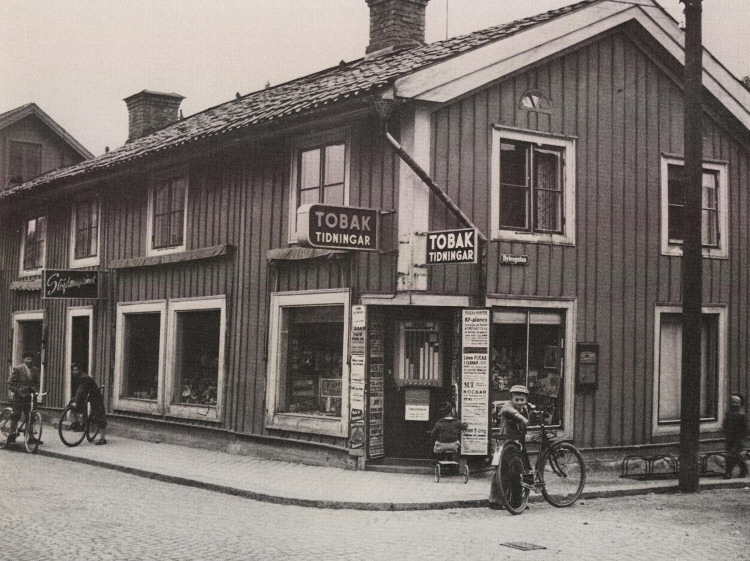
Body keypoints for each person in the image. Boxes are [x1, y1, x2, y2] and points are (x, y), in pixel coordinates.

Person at [69, 362, 107, 445]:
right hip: (87, 395)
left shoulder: (84, 377)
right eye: (73, 370)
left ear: (80, 370)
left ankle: (103, 439)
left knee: (100, 415)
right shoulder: (77, 377)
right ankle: (76, 422)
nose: (75, 372)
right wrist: (75, 401)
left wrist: (76, 402)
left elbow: (80, 390)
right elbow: (79, 390)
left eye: (76, 370)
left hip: (95, 396)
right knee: (71, 402)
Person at [7, 352, 41, 445]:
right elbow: (10, 383)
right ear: (24, 360)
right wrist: (19, 392)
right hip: (19, 397)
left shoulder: (35, 370)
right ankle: (12, 435)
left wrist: (35, 391)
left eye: (31, 359)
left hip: (30, 397)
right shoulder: (18, 369)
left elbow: (37, 383)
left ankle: (30, 437)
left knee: (30, 416)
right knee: (16, 415)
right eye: (28, 359)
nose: (30, 361)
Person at [723, 393, 748, 479]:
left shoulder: (742, 415)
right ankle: (744, 469)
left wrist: (741, 440)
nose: (734, 404)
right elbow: (725, 425)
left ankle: (728, 473)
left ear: (740, 404)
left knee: (731, 456)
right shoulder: (728, 414)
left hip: (738, 440)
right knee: (735, 456)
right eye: (732, 402)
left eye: (736, 402)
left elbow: (744, 429)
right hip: (729, 439)